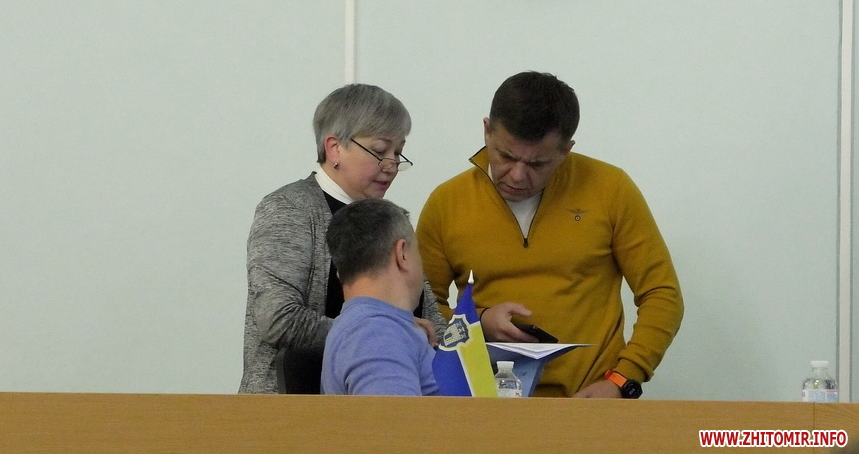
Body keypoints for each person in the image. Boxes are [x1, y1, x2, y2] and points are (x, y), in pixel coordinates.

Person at [416, 71, 684, 398]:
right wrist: (478, 322)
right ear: (487, 130)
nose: (517, 175)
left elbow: (662, 294)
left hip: (593, 402)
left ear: (566, 150)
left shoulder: (611, 189)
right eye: (506, 156)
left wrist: (622, 380)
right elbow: (421, 309)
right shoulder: (446, 203)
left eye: (537, 164)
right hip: (481, 404)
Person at [240, 84, 446, 394]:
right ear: (334, 148)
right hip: (292, 411)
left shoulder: (392, 220)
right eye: (379, 151)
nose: (391, 165)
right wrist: (385, 334)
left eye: (397, 152)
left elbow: (434, 325)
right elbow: (278, 319)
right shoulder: (289, 209)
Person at [321, 198, 439, 396]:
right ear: (402, 254)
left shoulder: (374, 329)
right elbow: (394, 416)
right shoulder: (377, 335)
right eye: (417, 251)